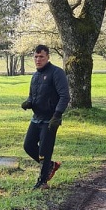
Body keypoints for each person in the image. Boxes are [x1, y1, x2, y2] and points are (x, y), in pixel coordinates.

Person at [22, 44, 70, 189]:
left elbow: (65, 96)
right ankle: (50, 165)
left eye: (41, 57)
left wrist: (57, 115)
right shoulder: (35, 76)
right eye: (36, 57)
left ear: (48, 57)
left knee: (44, 151)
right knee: (28, 145)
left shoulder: (56, 73)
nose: (38, 60)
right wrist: (29, 102)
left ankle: (42, 182)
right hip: (36, 117)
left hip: (50, 119)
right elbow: (32, 96)